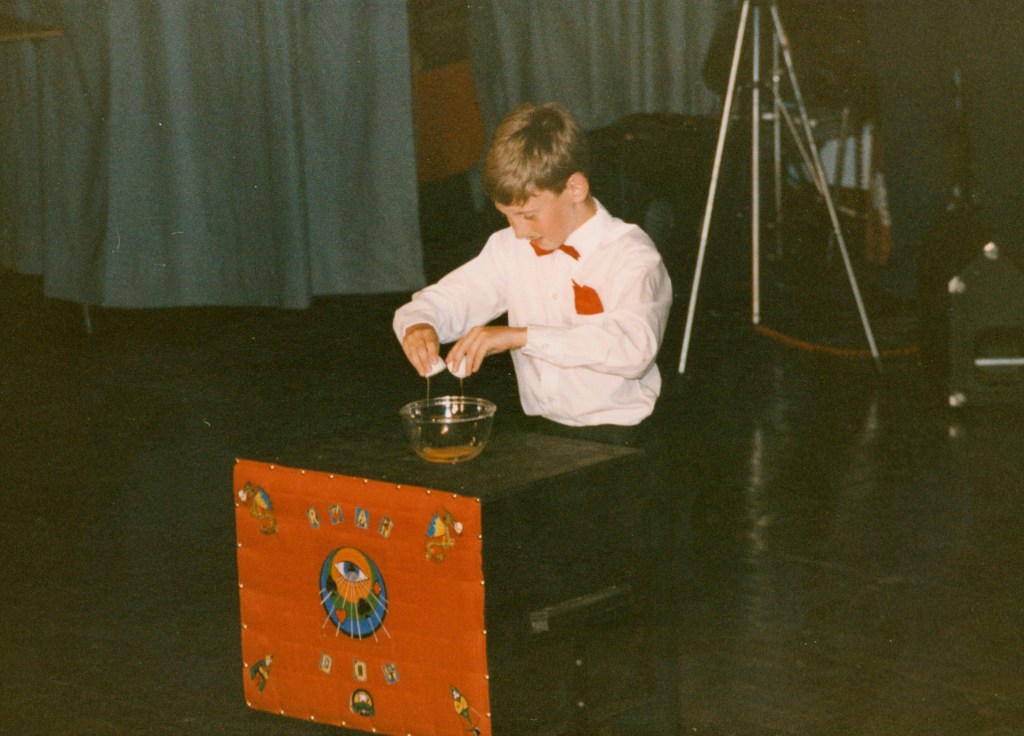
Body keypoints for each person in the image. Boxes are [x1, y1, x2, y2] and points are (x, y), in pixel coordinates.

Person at [393, 102, 673, 441]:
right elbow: (453, 298)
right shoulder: (510, 248)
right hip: (542, 433)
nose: (519, 232)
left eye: (528, 215)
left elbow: (634, 348)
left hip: (623, 438)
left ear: (575, 189)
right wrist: (420, 324)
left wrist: (523, 336)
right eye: (507, 217)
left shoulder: (631, 254)